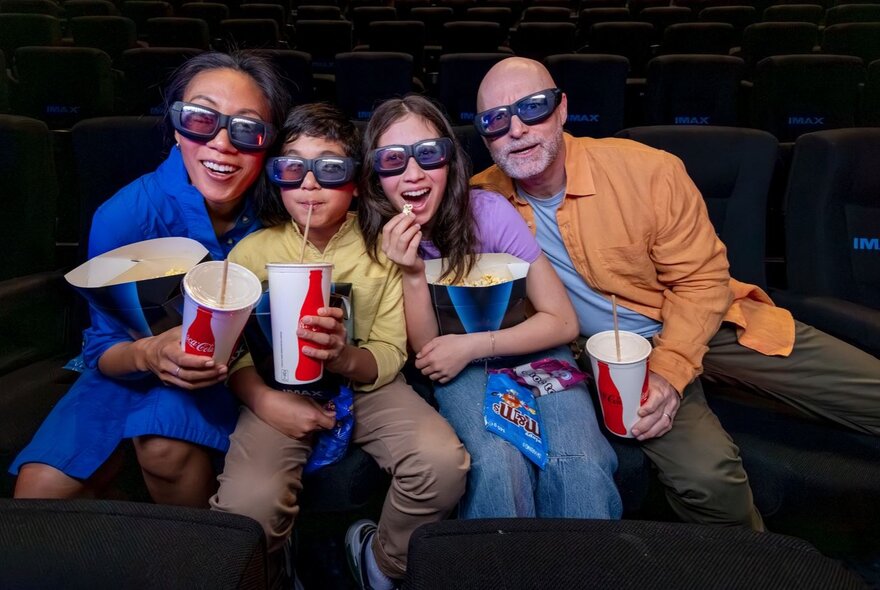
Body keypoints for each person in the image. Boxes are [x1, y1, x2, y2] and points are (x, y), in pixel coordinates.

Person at [472, 56, 880, 531]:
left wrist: (671, 368)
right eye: (495, 120)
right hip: (614, 361)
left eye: (533, 107)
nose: (516, 128)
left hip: (706, 320)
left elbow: (702, 280)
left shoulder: (648, 171)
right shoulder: (481, 202)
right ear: (484, 136)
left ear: (562, 109)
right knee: (709, 482)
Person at [10, 51, 290, 506]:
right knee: (38, 492)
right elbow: (103, 348)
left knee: (164, 448)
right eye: (201, 118)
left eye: (246, 128)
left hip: (231, 376)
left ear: (267, 144)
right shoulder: (126, 215)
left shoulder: (284, 211)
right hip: (128, 370)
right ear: (177, 128)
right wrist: (148, 352)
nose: (222, 143)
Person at [209, 103, 469, 590]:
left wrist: (343, 354)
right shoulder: (250, 253)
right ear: (276, 178)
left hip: (368, 388)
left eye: (328, 170)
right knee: (249, 508)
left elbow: (392, 352)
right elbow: (233, 352)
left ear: (354, 181)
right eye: (292, 169)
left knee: (441, 464)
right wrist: (265, 400)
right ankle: (276, 569)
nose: (309, 185)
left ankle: (382, 562)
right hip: (275, 389)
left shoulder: (379, 251)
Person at [358, 94, 622, 521]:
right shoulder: (373, 236)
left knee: (579, 464)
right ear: (375, 175)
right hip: (456, 370)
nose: (413, 172)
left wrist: (473, 345)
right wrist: (410, 271)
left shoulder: (490, 212)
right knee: (500, 466)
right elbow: (427, 349)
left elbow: (562, 320)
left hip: (533, 350)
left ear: (450, 162)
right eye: (392, 160)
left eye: (429, 154)